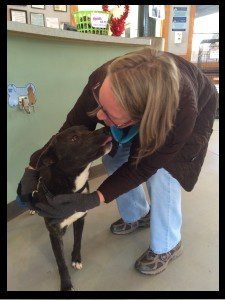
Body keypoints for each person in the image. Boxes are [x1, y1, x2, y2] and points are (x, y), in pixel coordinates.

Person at [18, 47, 218, 275]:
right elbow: (72, 128)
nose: (99, 117)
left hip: (197, 104)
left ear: (140, 118)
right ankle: (137, 214)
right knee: (113, 157)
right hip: (146, 103)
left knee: (163, 173)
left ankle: (168, 244)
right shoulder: (102, 80)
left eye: (109, 115)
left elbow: (142, 169)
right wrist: (34, 167)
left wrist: (94, 198)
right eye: (100, 105)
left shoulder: (182, 114)